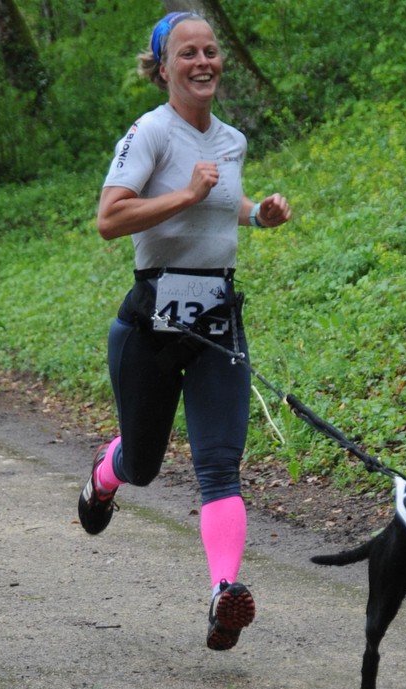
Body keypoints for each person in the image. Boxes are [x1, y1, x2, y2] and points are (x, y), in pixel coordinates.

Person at [78, 11, 292, 652]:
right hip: (149, 322)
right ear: (163, 68)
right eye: (187, 54)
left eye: (211, 51)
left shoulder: (230, 140)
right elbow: (109, 220)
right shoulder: (150, 133)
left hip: (217, 319)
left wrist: (260, 215)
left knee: (220, 466)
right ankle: (105, 475)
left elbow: (227, 203)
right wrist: (183, 198)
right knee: (143, 465)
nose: (203, 62)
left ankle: (224, 594)